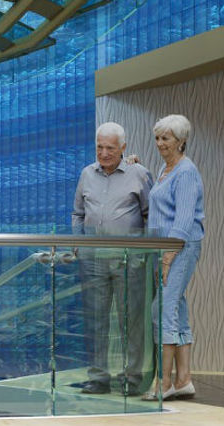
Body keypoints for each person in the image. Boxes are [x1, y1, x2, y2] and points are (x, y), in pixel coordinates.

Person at [72, 122, 153, 396]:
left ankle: (131, 378)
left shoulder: (138, 174)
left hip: (128, 260)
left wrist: (143, 253)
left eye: (109, 147)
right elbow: (78, 214)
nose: (104, 153)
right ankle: (99, 378)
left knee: (130, 322)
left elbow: (149, 214)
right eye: (99, 147)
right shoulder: (86, 174)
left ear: (123, 148)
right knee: (95, 321)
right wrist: (78, 244)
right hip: (93, 260)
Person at [142, 114, 204, 402]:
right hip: (166, 248)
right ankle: (183, 380)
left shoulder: (186, 171)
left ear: (181, 141)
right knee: (175, 306)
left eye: (166, 138)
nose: (160, 143)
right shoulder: (167, 170)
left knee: (162, 309)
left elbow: (183, 218)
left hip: (180, 248)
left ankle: (164, 382)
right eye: (158, 138)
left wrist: (167, 257)